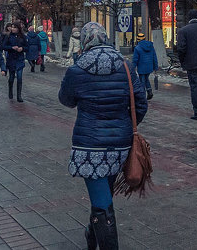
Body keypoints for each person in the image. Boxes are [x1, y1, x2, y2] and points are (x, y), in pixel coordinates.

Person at [59, 22, 148, 250]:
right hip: (120, 144)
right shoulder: (126, 66)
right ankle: (92, 236)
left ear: (86, 41)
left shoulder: (77, 69)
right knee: (103, 196)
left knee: (102, 201)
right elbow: (140, 103)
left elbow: (66, 100)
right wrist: (125, 125)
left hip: (90, 145)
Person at [1, 22, 29, 102]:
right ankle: (10, 91)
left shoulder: (23, 37)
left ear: (18, 28)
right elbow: (4, 46)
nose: (12, 29)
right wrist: (11, 47)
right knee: (11, 77)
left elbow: (27, 47)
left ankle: (19, 96)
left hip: (19, 59)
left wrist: (22, 49)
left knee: (19, 77)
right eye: (12, 27)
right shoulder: (8, 36)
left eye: (14, 27)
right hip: (11, 59)